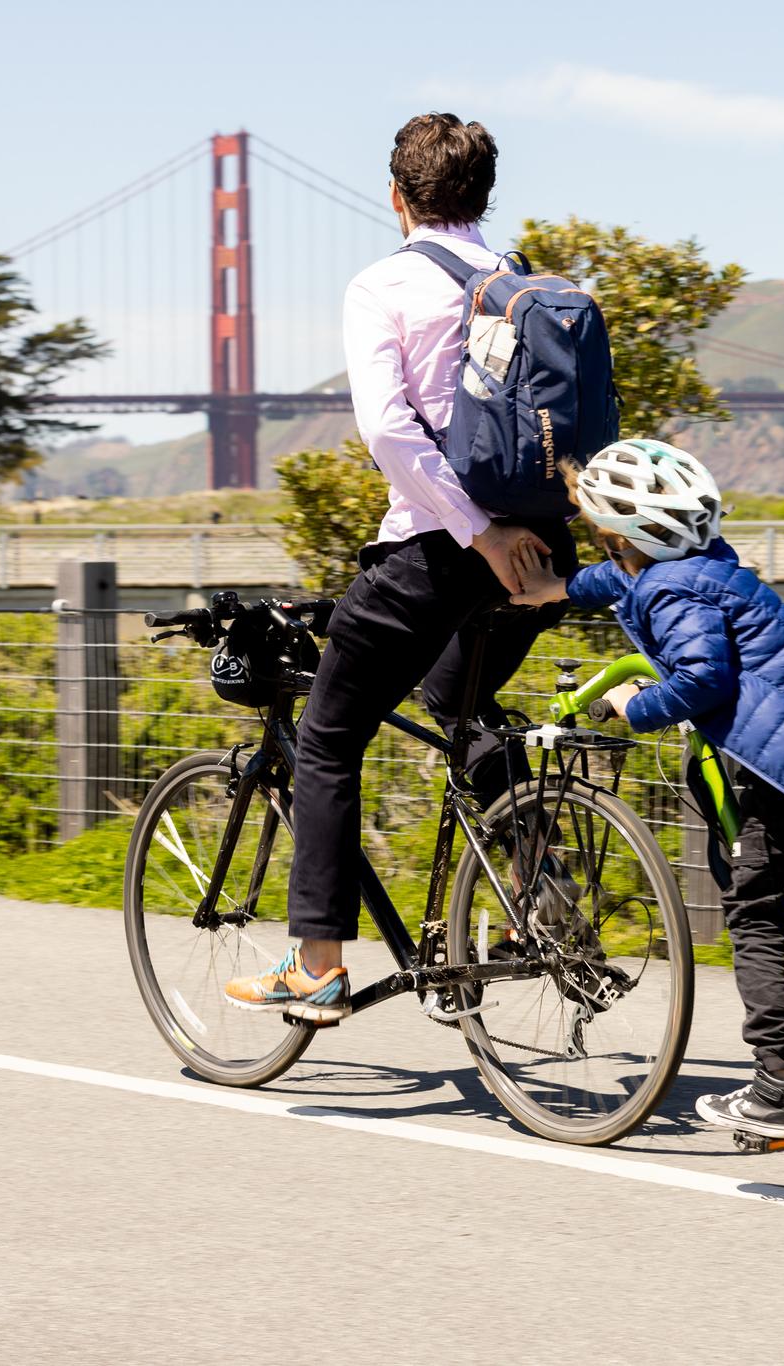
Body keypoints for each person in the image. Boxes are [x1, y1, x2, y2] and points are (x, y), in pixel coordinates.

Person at [223, 112, 573, 1021]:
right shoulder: (522, 282)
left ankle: (319, 965)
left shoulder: (383, 285)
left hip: (441, 555)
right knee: (458, 705)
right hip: (544, 554)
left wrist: (472, 531)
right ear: (484, 197)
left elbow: (386, 429)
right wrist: (514, 537)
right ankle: (535, 896)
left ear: (396, 196)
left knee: (332, 737)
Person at [510, 440, 784, 1141]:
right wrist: (557, 590)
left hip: (781, 747)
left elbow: (703, 679)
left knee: (754, 908)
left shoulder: (662, 589)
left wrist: (636, 705)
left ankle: (774, 1091)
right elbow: (620, 583)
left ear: (614, 537)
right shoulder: (706, 565)